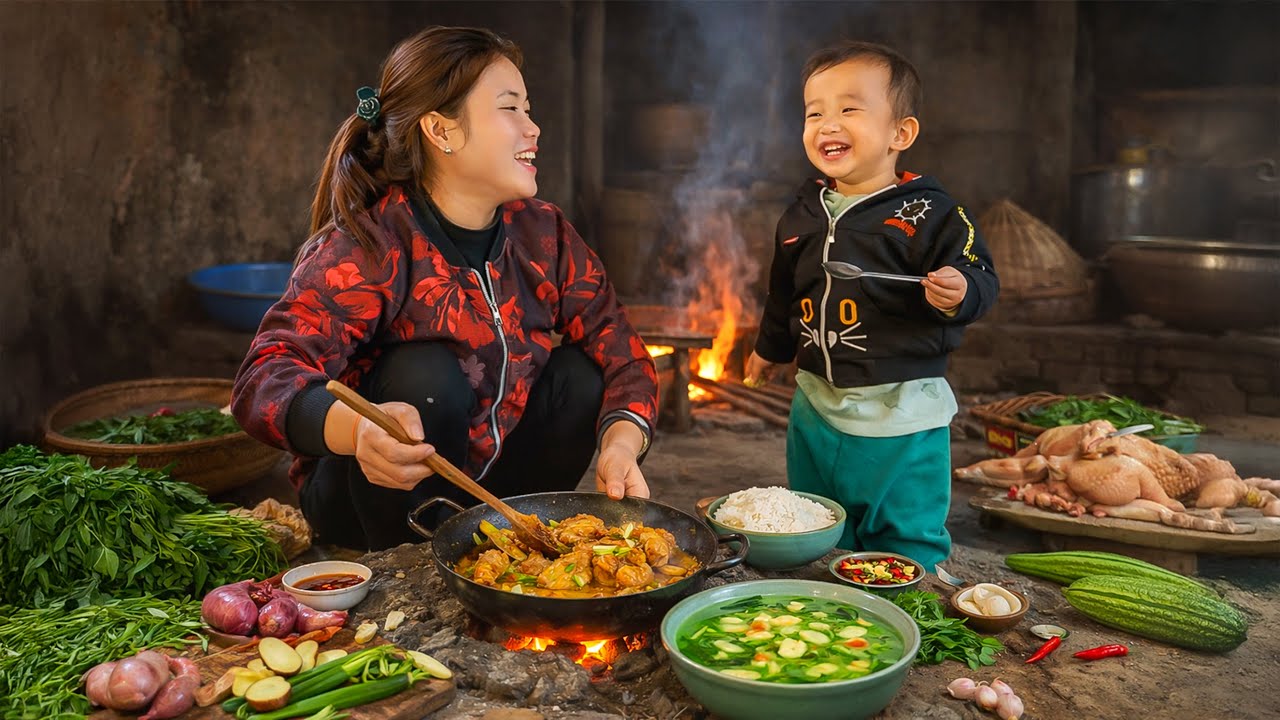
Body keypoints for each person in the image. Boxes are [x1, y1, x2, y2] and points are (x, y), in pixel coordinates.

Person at [232, 26, 658, 551]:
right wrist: (358, 430)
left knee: (580, 375)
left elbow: (625, 355)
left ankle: (506, 545)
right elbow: (263, 377)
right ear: (442, 131)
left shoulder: (544, 235)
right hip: (369, 497)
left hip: (488, 493)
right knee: (426, 373)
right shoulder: (371, 245)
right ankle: (407, 568)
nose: (534, 128)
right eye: (511, 109)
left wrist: (619, 446)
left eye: (529, 109)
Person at [744, 41, 999, 569]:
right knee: (820, 520)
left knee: (902, 534)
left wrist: (961, 289)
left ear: (899, 134)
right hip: (815, 401)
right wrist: (769, 350)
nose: (827, 123)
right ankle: (830, 590)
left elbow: (979, 272)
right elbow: (782, 292)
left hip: (900, 409)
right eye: (815, 112)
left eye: (849, 108)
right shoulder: (801, 213)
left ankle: (909, 607)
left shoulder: (933, 212)